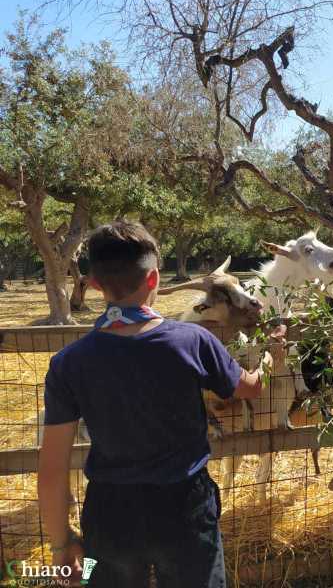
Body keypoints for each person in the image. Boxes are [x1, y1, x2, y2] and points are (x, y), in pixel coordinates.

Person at [37, 221, 263, 588]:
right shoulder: (193, 341)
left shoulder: (69, 362)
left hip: (110, 515)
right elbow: (249, 389)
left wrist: (62, 544)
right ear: (155, 279)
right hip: (185, 509)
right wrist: (268, 360)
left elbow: (50, 471)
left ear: (93, 283)